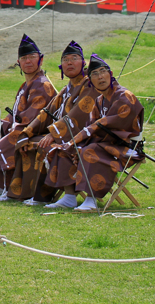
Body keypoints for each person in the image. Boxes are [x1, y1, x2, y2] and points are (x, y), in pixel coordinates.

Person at [43, 54, 144, 211]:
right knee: (65, 149)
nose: (100, 77)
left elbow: (108, 125)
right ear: (91, 80)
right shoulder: (99, 101)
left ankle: (91, 199)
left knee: (89, 150)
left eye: (103, 71)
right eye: (95, 74)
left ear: (110, 74)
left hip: (123, 146)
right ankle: (70, 197)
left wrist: (83, 139)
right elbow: (92, 127)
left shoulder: (125, 96)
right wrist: (74, 142)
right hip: (103, 144)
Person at [0, 35, 57, 201]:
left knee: (8, 140)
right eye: (24, 58)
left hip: (36, 130)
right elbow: (15, 112)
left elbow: (35, 117)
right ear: (18, 62)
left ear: (41, 59)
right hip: (22, 126)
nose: (28, 61)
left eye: (32, 57)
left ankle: (12, 188)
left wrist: (13, 127)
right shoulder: (25, 85)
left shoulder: (43, 84)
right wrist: (2, 124)